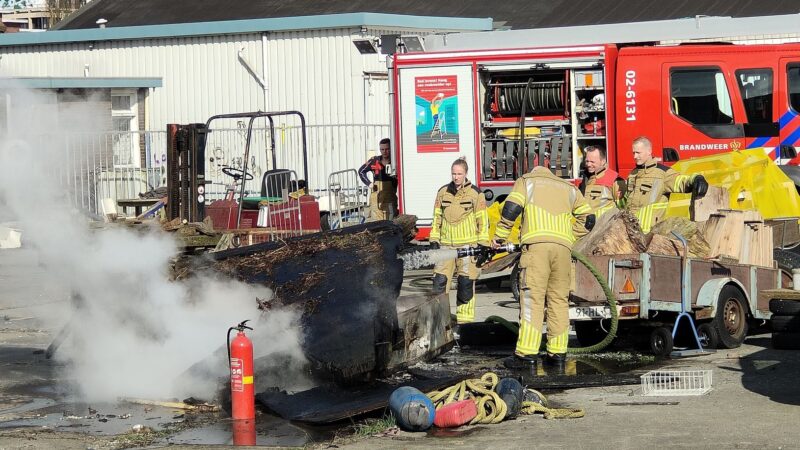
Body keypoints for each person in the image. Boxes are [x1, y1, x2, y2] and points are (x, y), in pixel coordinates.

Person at [492, 166, 594, 369]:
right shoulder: (568, 187)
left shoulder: (526, 181)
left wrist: (500, 236)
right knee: (559, 301)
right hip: (563, 250)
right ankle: (557, 354)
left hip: (537, 249)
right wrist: (569, 235)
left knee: (533, 299)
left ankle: (526, 354)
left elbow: (511, 208)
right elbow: (589, 218)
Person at [429, 158, 490, 324]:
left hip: (467, 247)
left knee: (465, 285)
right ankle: (440, 322)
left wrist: (483, 245)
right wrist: (434, 239)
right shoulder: (443, 192)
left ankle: (465, 323)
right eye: (454, 173)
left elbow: (482, 221)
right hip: (446, 247)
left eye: (459, 174)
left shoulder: (476, 194)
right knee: (439, 283)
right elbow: (437, 217)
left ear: (465, 174)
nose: (456, 177)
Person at [625, 136, 708, 233]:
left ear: (649, 151)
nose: (635, 156)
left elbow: (681, 181)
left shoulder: (662, 173)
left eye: (638, 153)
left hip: (650, 235)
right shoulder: (633, 174)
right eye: (633, 153)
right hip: (631, 233)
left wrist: (696, 178)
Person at [358, 138, 397, 221]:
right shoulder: (374, 160)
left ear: (391, 148)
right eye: (382, 149)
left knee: (391, 222)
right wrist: (369, 183)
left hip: (390, 198)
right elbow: (361, 171)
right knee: (377, 224)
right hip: (376, 198)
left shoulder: (395, 161)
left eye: (387, 149)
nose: (384, 151)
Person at [582, 145, 626, 218]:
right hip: (587, 227)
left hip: (604, 228)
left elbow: (623, 209)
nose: (588, 164)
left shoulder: (615, 180)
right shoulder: (586, 178)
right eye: (587, 161)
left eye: (592, 162)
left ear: (603, 161)